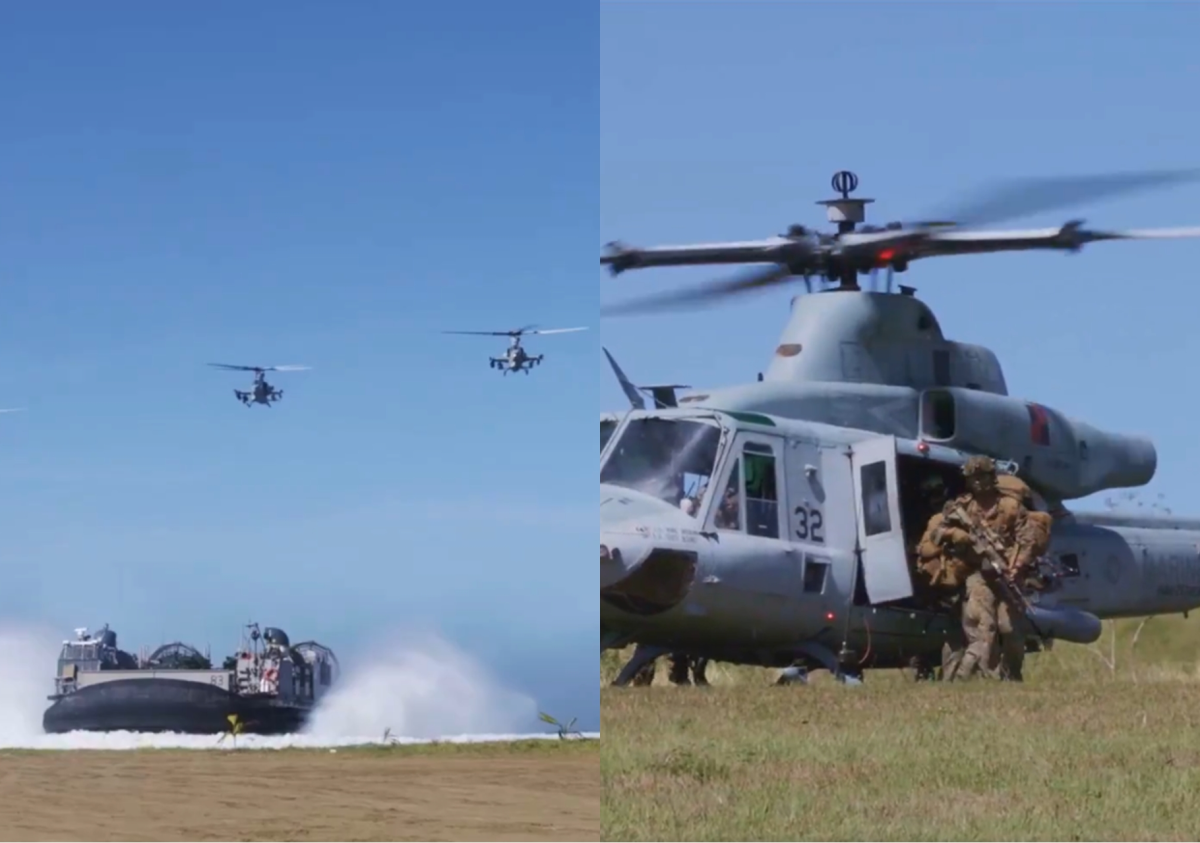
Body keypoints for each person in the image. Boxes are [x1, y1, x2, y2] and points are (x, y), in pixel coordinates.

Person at [922, 455, 1034, 681]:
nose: (979, 483)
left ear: (992, 477)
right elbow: (936, 531)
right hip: (977, 574)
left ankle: (1012, 675)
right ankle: (986, 678)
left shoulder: (1010, 506)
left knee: (1010, 629)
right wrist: (956, 534)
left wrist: (1018, 564)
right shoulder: (962, 507)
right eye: (974, 478)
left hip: (1008, 573)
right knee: (984, 627)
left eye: (983, 477)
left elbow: (1027, 539)